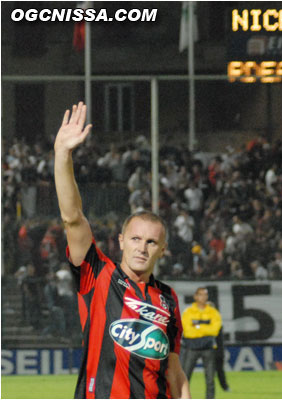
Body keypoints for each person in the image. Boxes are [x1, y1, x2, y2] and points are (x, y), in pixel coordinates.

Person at [54, 102, 190, 398]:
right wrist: (62, 155)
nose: (142, 248)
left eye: (151, 242)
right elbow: (72, 218)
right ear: (120, 241)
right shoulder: (99, 276)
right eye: (135, 239)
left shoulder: (168, 298)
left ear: (162, 250)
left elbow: (174, 369)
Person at [181, 287, 223, 399]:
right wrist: (205, 329)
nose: (203, 297)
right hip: (191, 347)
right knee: (185, 378)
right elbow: (187, 331)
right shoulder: (188, 311)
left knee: (210, 379)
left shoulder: (213, 312)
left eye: (205, 295)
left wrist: (197, 327)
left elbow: (215, 330)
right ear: (195, 296)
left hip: (208, 348)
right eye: (200, 294)